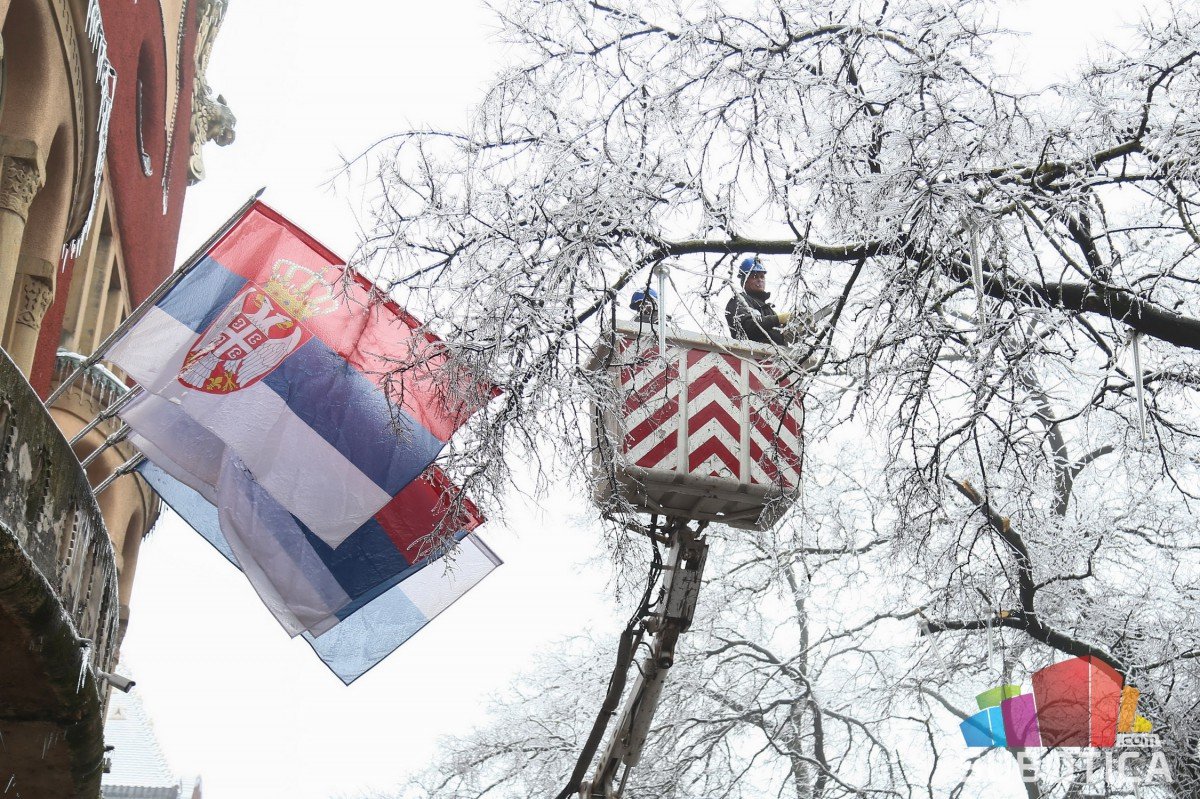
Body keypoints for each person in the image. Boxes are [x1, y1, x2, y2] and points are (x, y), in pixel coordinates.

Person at [724, 257, 795, 345]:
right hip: (748, 351)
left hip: (772, 352)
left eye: (762, 277)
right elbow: (746, 327)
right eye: (755, 276)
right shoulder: (738, 301)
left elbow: (777, 337)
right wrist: (777, 319)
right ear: (744, 280)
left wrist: (792, 331)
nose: (760, 280)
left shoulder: (768, 310)